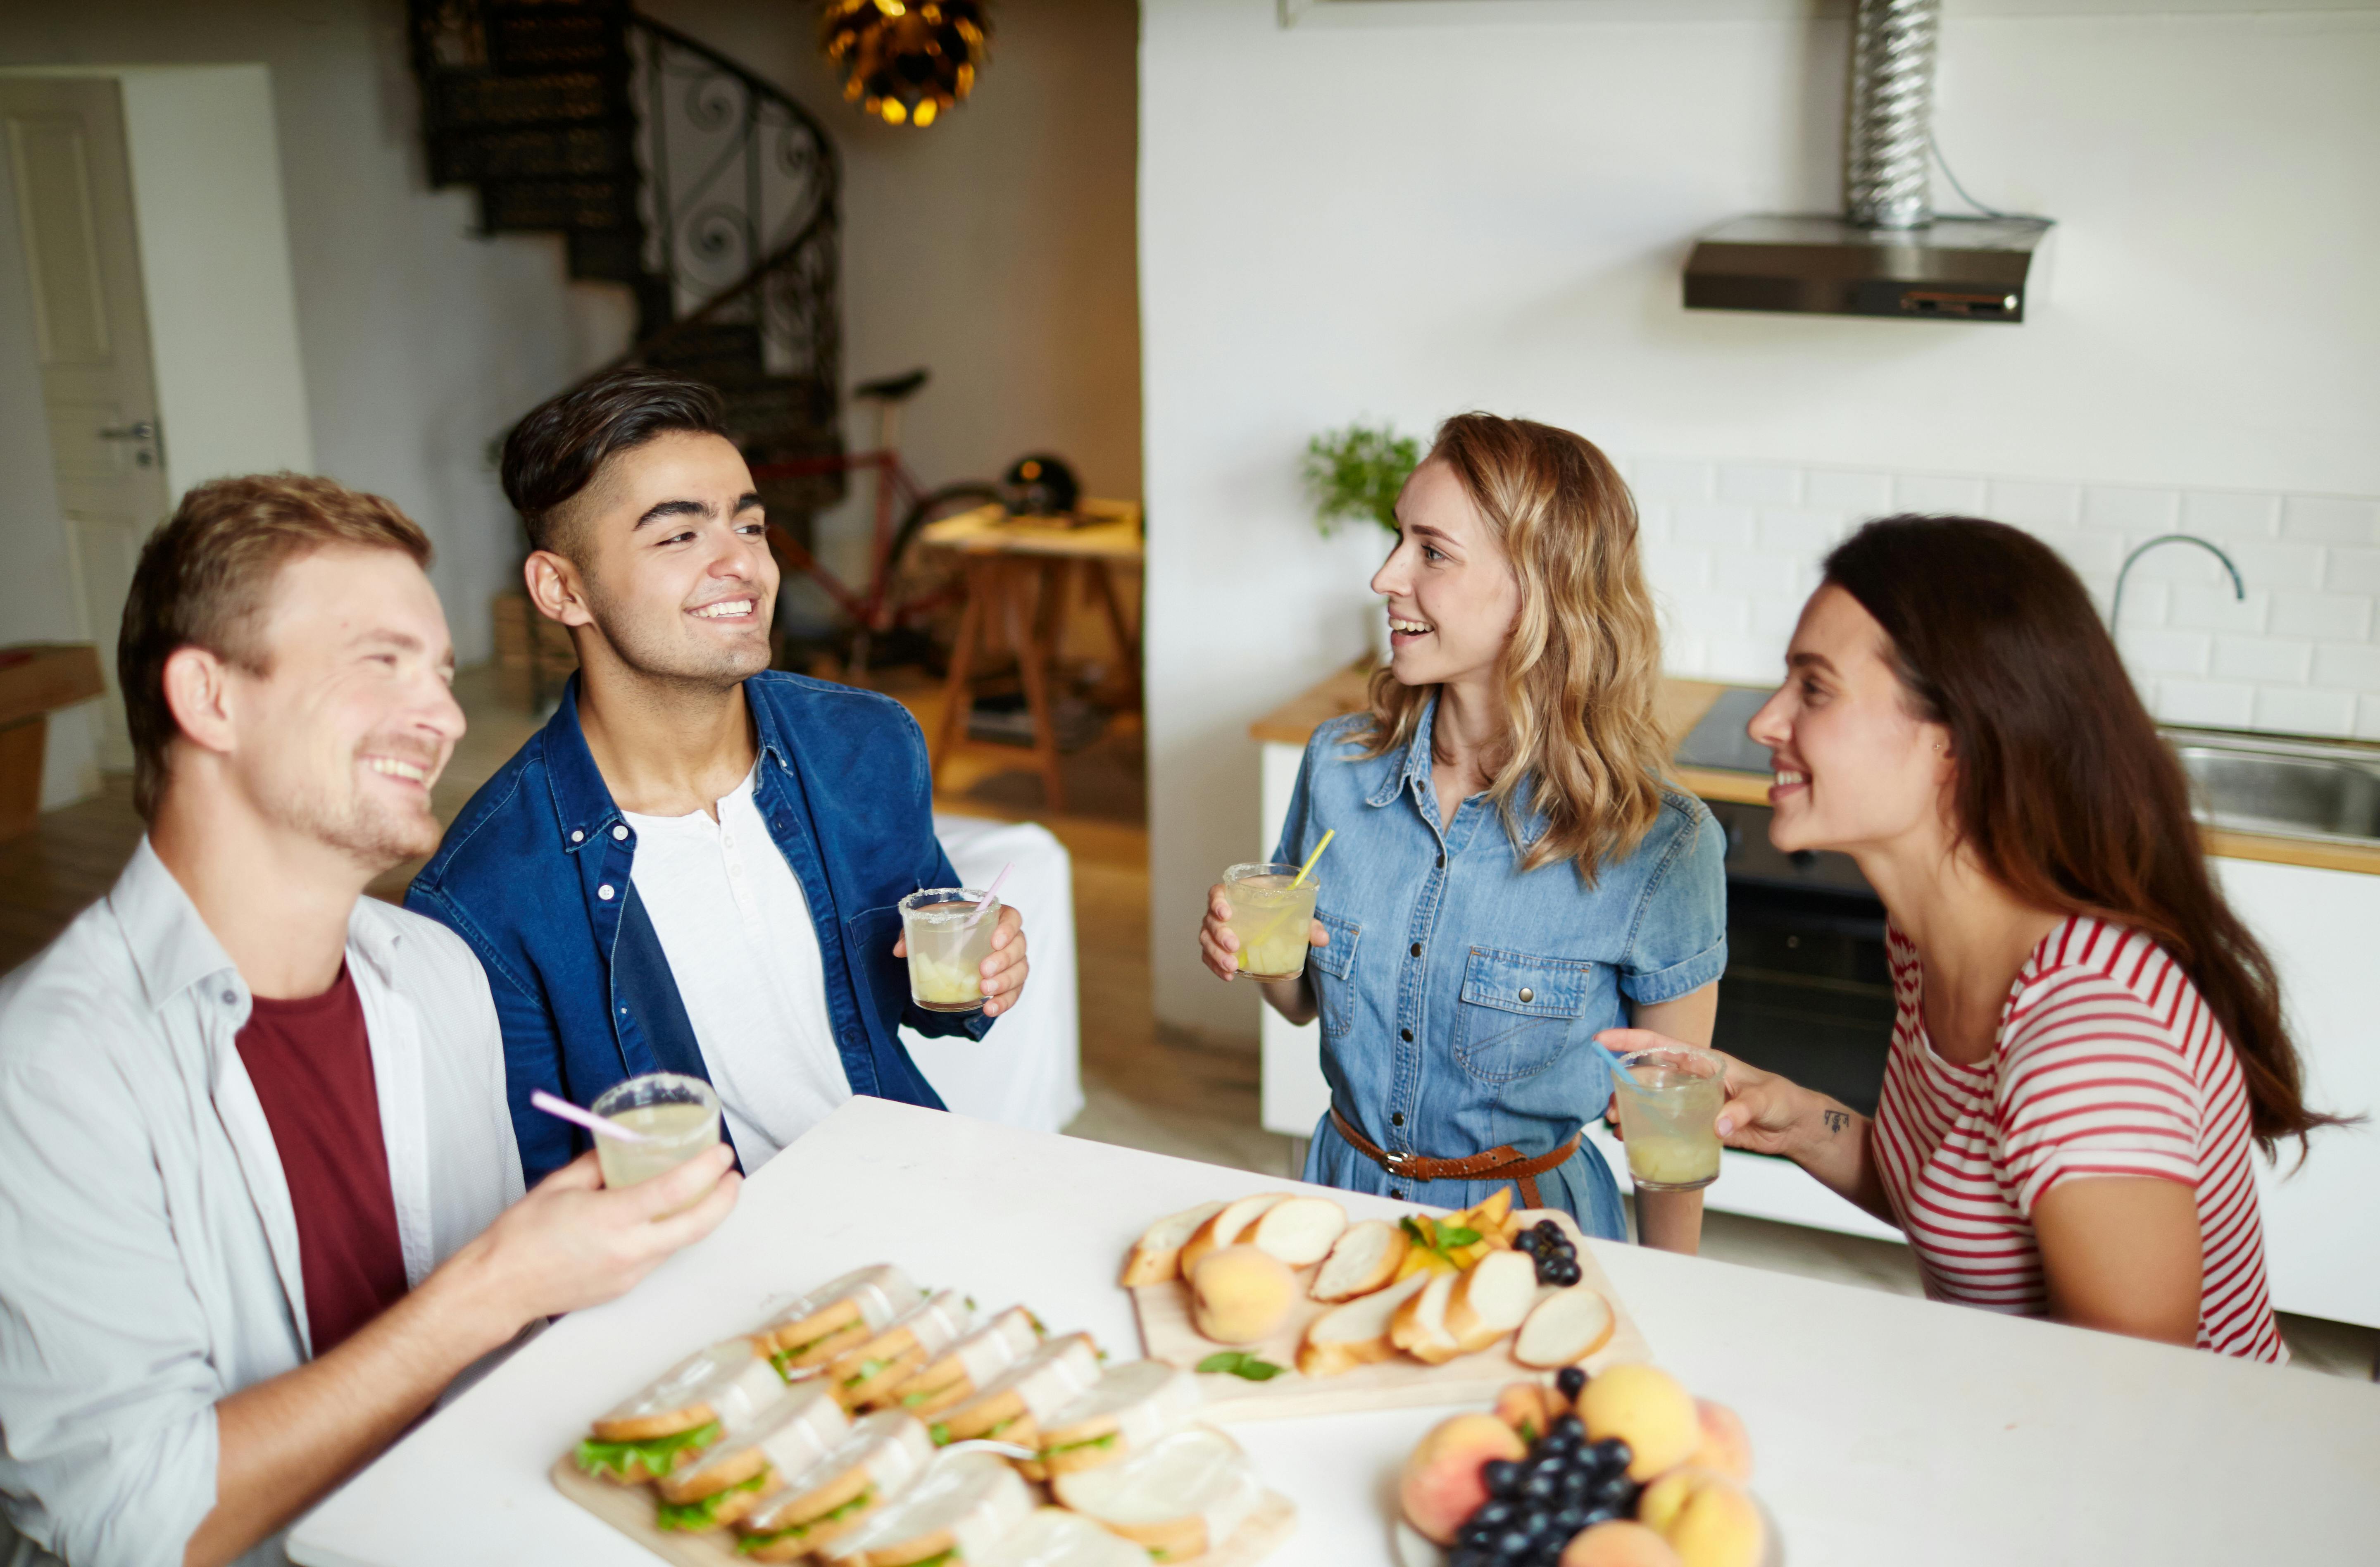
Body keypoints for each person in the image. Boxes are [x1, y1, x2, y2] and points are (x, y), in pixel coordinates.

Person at [0, 476, 739, 1567]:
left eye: (439, 671)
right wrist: (500, 1286)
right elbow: (139, 1524)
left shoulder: (437, 972)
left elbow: (504, 1371)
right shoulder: (49, 1066)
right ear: (211, 701)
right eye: (381, 661)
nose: (443, 713)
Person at [1605, 515, 2347, 1356]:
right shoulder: (1928, 948)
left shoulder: (2091, 1048)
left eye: (1814, 689)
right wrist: (1798, 1120)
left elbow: (2139, 1412)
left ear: (1955, 740)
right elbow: (1964, 1202)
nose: (1765, 723)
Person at [409, 369, 1028, 1184]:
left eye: (752, 524)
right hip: (698, 1269)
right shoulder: (487, 893)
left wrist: (982, 976)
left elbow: (920, 992)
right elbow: (534, 1181)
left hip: (906, 1187)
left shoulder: (864, 745)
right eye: (680, 535)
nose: (743, 564)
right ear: (562, 589)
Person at [1203, 414, 1726, 1249]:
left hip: (1530, 1235)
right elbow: (1300, 1003)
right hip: (1344, 1205)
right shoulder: (1338, 767)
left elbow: (1673, 1133)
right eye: (1397, 541)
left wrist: (1674, 1301)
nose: (1385, 577)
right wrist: (1257, 951)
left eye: (1431, 552)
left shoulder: (1659, 844)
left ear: (1539, 587)